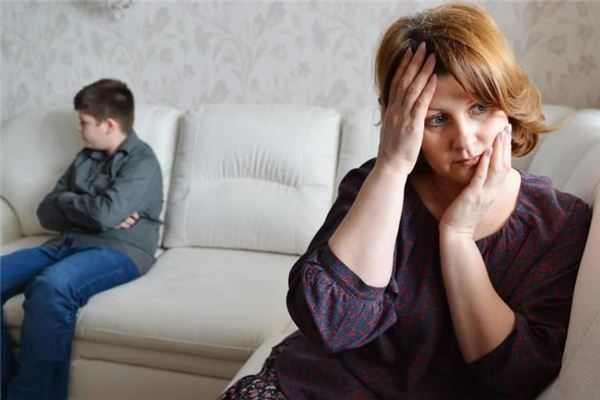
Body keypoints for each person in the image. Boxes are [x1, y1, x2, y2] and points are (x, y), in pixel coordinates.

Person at [220, 3, 591, 399]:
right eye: (436, 119)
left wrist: (457, 236)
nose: (465, 140)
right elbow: (332, 325)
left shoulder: (558, 223)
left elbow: (515, 377)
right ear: (400, 119)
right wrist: (392, 166)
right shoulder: (373, 185)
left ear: (507, 105)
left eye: (480, 108)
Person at [0, 78, 164, 400]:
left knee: (52, 287)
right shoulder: (85, 157)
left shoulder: (142, 163)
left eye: (84, 121)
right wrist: (84, 204)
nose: (78, 128)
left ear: (109, 124)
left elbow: (103, 215)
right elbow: (46, 213)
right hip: (66, 242)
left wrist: (78, 204)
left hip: (119, 250)